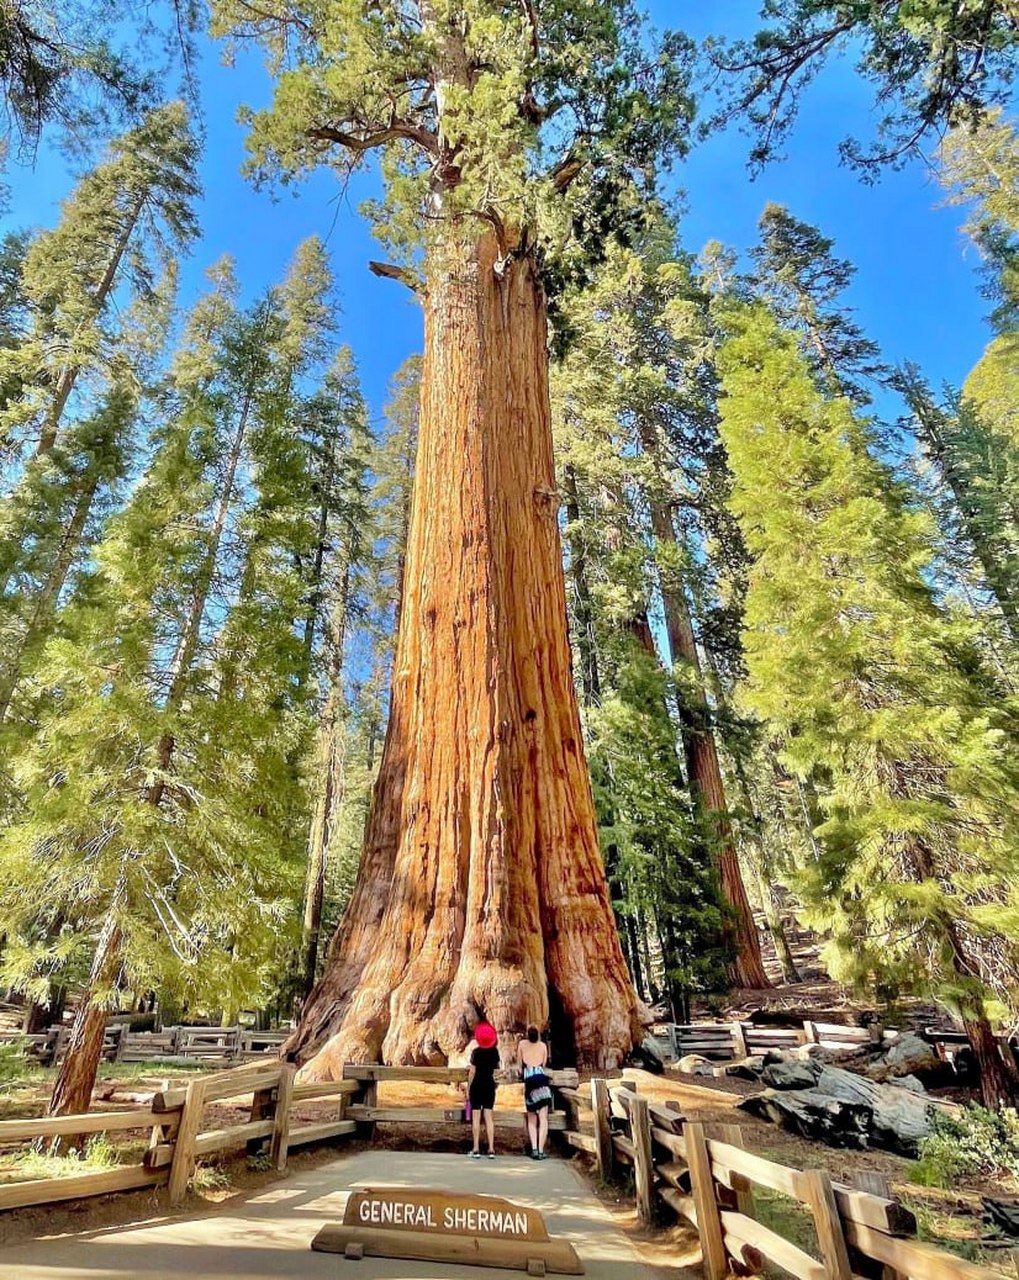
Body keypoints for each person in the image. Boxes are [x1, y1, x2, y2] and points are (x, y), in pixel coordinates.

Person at [518, 1025, 552, 1159]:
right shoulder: (543, 1046)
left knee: (531, 1118)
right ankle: (541, 1149)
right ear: (538, 1034)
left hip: (530, 1082)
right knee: (543, 1118)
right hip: (541, 1080)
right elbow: (543, 1064)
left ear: (527, 1034)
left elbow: (520, 1067)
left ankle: (534, 1150)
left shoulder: (521, 1044)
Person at [467, 1020, 499, 1159]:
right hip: (489, 1085)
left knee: (476, 1117)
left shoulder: (476, 1053)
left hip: (477, 1085)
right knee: (488, 1117)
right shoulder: (495, 1053)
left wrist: (468, 1088)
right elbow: (496, 1071)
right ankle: (491, 1149)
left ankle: (476, 1148)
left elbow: (472, 1072)